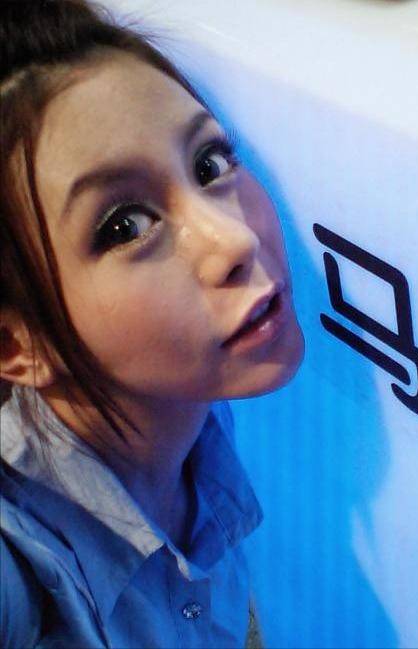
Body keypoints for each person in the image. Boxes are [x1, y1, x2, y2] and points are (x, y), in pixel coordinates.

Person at [0, 1, 304, 646]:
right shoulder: (20, 564)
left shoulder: (192, 407)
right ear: (13, 343)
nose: (235, 238)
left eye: (210, 165)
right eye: (125, 226)